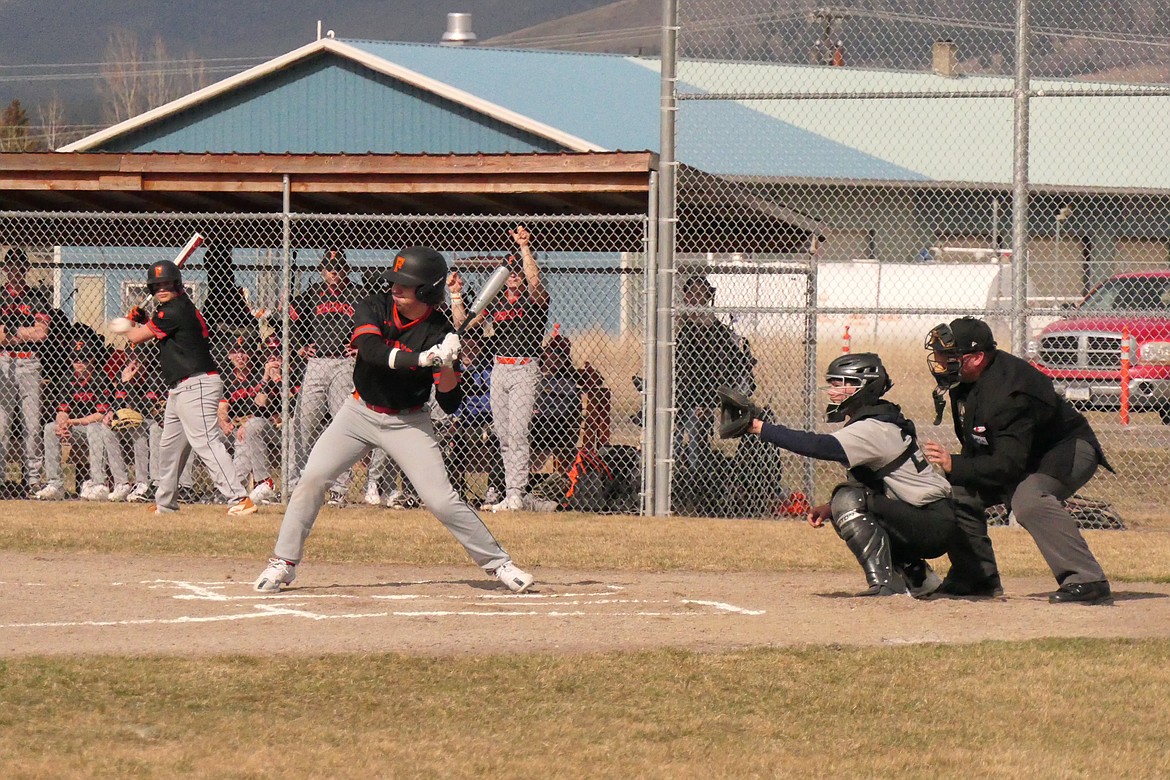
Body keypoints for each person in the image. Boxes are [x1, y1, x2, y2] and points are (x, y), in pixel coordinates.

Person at [253, 246, 534, 594]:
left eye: (406, 283)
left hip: (409, 422)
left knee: (441, 500)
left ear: (427, 290)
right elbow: (370, 351)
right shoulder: (374, 305)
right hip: (358, 413)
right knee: (312, 478)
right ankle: (284, 561)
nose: (396, 287)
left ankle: (499, 564)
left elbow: (449, 401)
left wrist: (445, 364)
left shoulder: (440, 330)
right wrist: (420, 357)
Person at [723, 353, 954, 597]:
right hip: (929, 518)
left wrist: (761, 428)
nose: (832, 391)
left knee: (846, 499)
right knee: (841, 502)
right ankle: (919, 579)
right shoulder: (877, 420)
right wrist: (830, 507)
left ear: (864, 387)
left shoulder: (873, 428)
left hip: (932, 522)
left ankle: (887, 585)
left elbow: (818, 446)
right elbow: (870, 483)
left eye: (839, 384)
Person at [923, 317, 1113, 604]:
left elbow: (1008, 465)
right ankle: (975, 577)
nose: (939, 362)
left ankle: (1087, 580)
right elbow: (985, 446)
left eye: (947, 356)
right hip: (1020, 454)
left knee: (1028, 500)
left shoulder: (1010, 392)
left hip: (1066, 450)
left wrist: (956, 464)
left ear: (975, 358)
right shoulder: (966, 380)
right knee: (957, 491)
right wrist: (960, 470)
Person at [120, 258, 257, 516]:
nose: (162, 288)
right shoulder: (173, 309)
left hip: (198, 384)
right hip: (180, 388)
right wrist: (144, 319)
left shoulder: (175, 309)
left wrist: (127, 322)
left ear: (178, 284)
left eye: (168, 283)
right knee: (169, 446)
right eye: (157, 285)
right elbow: (160, 328)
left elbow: (137, 337)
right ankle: (166, 503)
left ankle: (239, 498)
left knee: (205, 441)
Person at [450, 225, 549, 512]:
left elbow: (534, 281)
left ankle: (517, 492)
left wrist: (524, 247)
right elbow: (462, 323)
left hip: (524, 369)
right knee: (503, 435)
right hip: (499, 369)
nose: (514, 273)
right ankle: (512, 492)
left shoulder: (535, 302)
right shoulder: (494, 304)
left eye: (516, 268)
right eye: (508, 270)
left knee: (518, 433)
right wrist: (456, 295)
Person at [673, 274, 756, 511]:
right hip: (676, 396)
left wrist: (709, 402)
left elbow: (727, 369)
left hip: (699, 399)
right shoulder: (678, 328)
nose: (696, 299)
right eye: (691, 294)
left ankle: (694, 494)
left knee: (696, 449)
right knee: (673, 445)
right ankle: (671, 488)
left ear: (709, 297)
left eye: (702, 294)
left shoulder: (717, 331)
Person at [289, 248, 365, 505]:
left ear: (346, 270)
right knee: (303, 423)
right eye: (329, 268)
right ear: (322, 270)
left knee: (342, 424)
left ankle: (339, 489)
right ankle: (295, 484)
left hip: (345, 363)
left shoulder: (356, 294)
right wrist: (300, 344)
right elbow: (288, 320)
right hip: (317, 362)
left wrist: (361, 346)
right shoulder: (312, 293)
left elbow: (372, 324)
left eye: (338, 268)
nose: (334, 272)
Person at [35, 341, 125, 501]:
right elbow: (62, 410)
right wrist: (62, 423)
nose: (80, 363)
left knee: (94, 428)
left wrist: (73, 422)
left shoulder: (100, 378)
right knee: (50, 428)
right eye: (76, 359)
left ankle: (99, 483)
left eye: (84, 358)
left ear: (92, 360)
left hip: (96, 429)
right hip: (75, 428)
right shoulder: (67, 378)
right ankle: (55, 484)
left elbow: (100, 415)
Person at [0, 247, 51, 495]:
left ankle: (32, 480)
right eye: (10, 267)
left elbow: (42, 333)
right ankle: (0, 479)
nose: (15, 272)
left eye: (20, 267)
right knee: (2, 423)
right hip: (4, 363)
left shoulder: (36, 297)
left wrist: (16, 332)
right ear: (5, 269)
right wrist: (23, 333)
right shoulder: (1, 296)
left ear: (26, 269)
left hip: (30, 362)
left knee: (32, 424)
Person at [218, 337, 281, 505]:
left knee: (247, 433)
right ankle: (231, 491)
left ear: (251, 354)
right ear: (229, 356)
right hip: (237, 427)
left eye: (244, 352)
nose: (240, 356)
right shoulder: (227, 379)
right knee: (209, 435)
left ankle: (239, 490)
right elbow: (222, 408)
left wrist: (266, 378)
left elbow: (261, 403)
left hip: (265, 426)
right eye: (235, 352)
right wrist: (224, 423)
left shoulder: (261, 374)